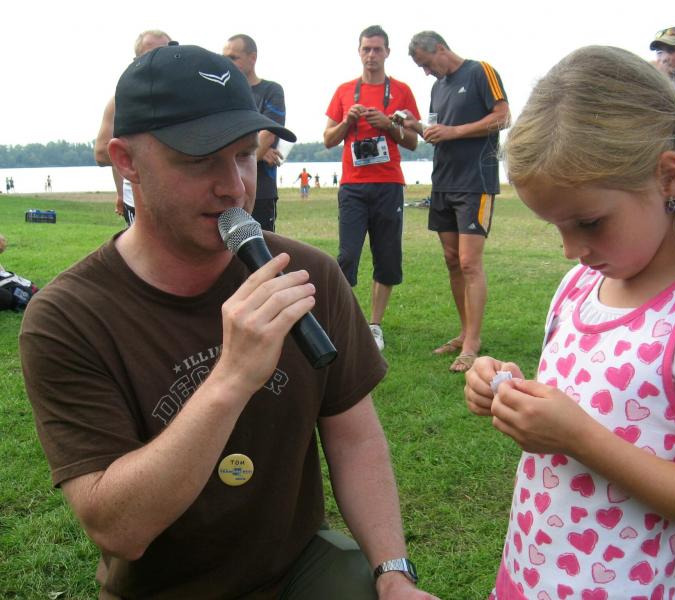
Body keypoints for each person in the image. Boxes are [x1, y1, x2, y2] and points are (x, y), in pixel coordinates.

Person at [20, 43, 436, 600]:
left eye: (244, 154)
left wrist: (393, 573)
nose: (235, 186)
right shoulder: (68, 317)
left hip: (296, 569)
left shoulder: (307, 274)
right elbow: (119, 530)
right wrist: (233, 376)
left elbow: (354, 435)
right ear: (126, 161)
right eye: (199, 160)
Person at [464, 45, 675, 600]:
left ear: (668, 178)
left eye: (588, 222)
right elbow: (584, 402)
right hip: (524, 579)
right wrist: (510, 389)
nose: (571, 250)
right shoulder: (578, 288)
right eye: (556, 227)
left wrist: (577, 437)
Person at [407, 31, 509, 372]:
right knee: (452, 260)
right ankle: (464, 333)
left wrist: (455, 131)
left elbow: (503, 117)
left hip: (475, 182)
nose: (427, 73)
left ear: (440, 48)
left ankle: (472, 344)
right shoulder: (437, 88)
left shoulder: (480, 71)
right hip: (443, 182)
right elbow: (438, 132)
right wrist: (417, 127)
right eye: (421, 68)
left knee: (469, 263)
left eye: (427, 64)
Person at [324, 25, 420, 352]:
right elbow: (328, 139)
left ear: (387, 52)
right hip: (353, 186)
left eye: (377, 49)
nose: (371, 55)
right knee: (347, 255)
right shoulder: (343, 91)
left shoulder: (402, 91)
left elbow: (413, 142)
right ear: (359, 51)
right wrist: (347, 122)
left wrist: (388, 124)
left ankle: (375, 325)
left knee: (387, 256)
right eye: (366, 49)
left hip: (388, 184)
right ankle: (346, 319)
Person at [94, 29, 172, 225]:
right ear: (136, 60)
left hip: (184, 200)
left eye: (165, 53)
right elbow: (103, 152)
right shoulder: (121, 100)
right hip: (140, 204)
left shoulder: (188, 95)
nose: (159, 61)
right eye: (151, 55)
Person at [223, 34, 287, 232]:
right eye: (224, 58)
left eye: (233, 57)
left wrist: (234, 155)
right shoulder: (222, 94)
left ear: (253, 58)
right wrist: (256, 151)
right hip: (225, 191)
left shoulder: (271, 91)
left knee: (260, 245)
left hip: (261, 190)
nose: (227, 63)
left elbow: (267, 136)